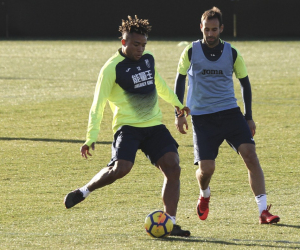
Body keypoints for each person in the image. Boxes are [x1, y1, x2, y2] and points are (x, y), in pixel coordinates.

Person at [64, 15, 191, 237]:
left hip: (153, 125)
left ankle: (169, 222)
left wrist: (179, 105)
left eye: (143, 44)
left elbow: (159, 84)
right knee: (121, 169)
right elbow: (98, 104)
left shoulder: (148, 59)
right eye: (136, 44)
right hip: (127, 127)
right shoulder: (111, 68)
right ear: (123, 42)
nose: (140, 49)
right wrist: (90, 137)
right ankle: (84, 191)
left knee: (173, 166)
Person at [174, 7, 280, 224]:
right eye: (207, 30)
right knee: (206, 170)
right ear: (201, 28)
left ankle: (263, 211)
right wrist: (179, 112)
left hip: (230, 114)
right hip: (203, 118)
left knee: (250, 155)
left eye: (215, 30)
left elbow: (245, 83)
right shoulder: (190, 51)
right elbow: (180, 79)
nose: (211, 34)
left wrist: (248, 116)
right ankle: (204, 194)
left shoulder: (232, 52)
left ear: (221, 28)